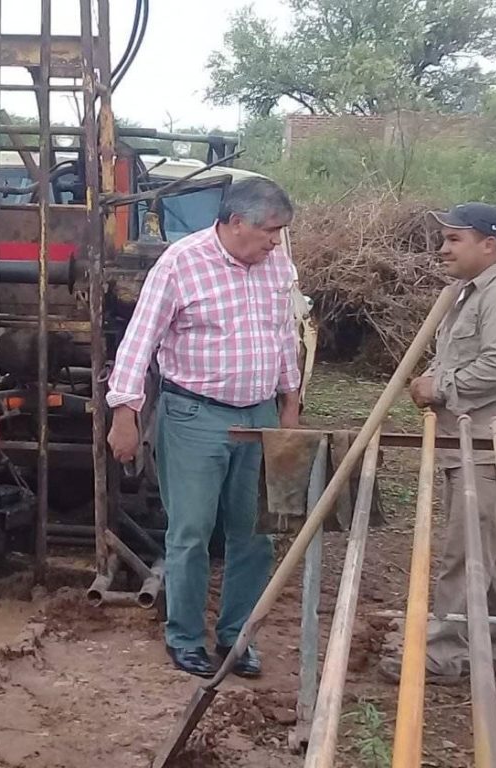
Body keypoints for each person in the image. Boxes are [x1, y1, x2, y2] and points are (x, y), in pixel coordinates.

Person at [106, 178, 301, 678]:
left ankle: (237, 638)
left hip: (258, 416)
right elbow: (139, 340)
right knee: (192, 531)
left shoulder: (276, 265)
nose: (276, 241)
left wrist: (289, 400)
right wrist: (124, 411)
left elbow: (284, 334)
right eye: (270, 231)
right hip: (195, 416)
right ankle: (186, 637)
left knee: (254, 534)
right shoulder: (181, 264)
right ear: (236, 223)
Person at [379, 202, 496, 684]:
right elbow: (462, 357)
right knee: (490, 550)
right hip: (469, 439)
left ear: (488, 244)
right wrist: (436, 378)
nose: (443, 248)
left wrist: (440, 388)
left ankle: (443, 652)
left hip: (491, 441)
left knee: (466, 551)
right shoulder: (472, 293)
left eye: (454, 239)